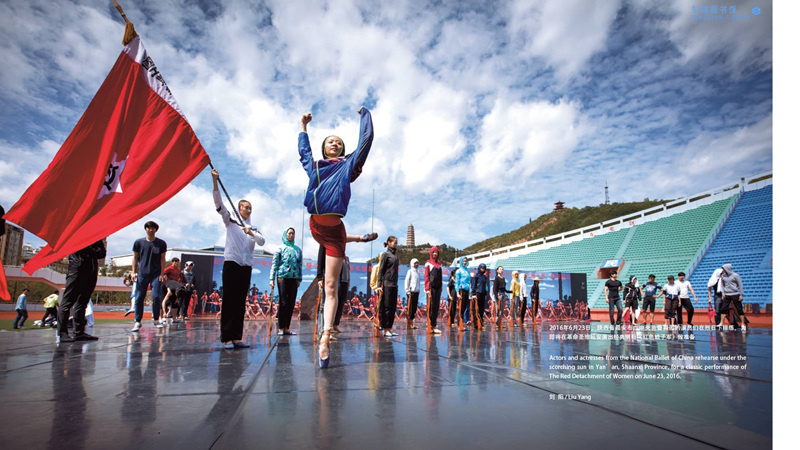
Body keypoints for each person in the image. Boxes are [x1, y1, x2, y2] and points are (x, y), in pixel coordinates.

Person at [299, 107, 376, 368]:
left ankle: (325, 336)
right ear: (324, 148)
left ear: (343, 150)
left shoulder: (347, 165)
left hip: (335, 235)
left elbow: (366, 141)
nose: (335, 143)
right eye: (330, 141)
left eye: (339, 142)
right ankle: (325, 331)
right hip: (316, 226)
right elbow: (304, 152)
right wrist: (303, 127)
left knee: (331, 287)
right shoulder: (315, 167)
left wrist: (365, 115)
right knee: (327, 283)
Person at [212, 168, 265, 349]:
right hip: (232, 264)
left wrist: (251, 233)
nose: (248, 210)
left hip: (246, 266)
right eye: (245, 207)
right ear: (239, 208)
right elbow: (219, 204)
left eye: (250, 208)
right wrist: (215, 181)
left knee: (241, 302)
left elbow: (262, 241)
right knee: (229, 301)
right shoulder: (231, 220)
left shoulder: (253, 228)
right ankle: (226, 338)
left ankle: (236, 337)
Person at [57, 239, 106, 342]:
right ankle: (62, 333)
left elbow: (102, 253)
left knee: (82, 302)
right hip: (76, 270)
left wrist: (89, 249)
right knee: (68, 302)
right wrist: (91, 250)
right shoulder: (77, 235)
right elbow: (79, 248)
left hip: (91, 272)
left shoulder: (96, 238)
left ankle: (79, 332)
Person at [131, 221, 167, 332]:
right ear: (145, 229)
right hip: (142, 274)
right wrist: (133, 272)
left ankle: (156, 319)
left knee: (156, 297)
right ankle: (137, 321)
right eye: (149, 228)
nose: (151, 230)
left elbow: (162, 259)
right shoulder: (138, 242)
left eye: (153, 228)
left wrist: (162, 273)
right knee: (139, 297)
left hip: (156, 275)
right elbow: (135, 257)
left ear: (156, 230)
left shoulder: (161, 243)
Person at [271, 227, 303, 336]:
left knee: (291, 303)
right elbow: (275, 264)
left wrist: (299, 278)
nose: (291, 235)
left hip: (294, 278)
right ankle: (281, 327)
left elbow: (299, 265)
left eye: (293, 233)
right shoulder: (280, 248)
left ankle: (287, 328)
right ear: (285, 234)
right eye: (289, 233)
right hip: (282, 278)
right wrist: (272, 279)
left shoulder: (297, 250)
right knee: (283, 303)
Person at [376, 236, 400, 338]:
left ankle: (390, 328)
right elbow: (381, 270)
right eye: (394, 242)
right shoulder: (385, 255)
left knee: (392, 308)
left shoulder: (395, 257)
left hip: (394, 285)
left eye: (396, 243)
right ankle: (385, 329)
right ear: (389, 243)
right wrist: (379, 285)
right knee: (386, 307)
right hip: (386, 285)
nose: (395, 244)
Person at [719, 263, 747, 330]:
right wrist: (723, 293)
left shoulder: (735, 275)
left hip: (735, 294)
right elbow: (722, 285)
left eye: (724, 268)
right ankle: (721, 323)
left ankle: (742, 324)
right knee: (723, 309)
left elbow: (740, 285)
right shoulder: (723, 276)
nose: (723, 270)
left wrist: (741, 295)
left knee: (739, 309)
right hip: (727, 294)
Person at [424, 246, 443, 334]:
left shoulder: (440, 264)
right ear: (431, 253)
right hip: (431, 288)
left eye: (436, 252)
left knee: (436, 307)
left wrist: (441, 287)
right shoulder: (428, 263)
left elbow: (440, 277)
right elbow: (426, 276)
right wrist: (427, 289)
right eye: (434, 252)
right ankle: (430, 325)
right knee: (431, 306)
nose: (435, 254)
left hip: (438, 288)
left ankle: (434, 325)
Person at [161, 257, 186, 324]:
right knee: (165, 300)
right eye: (175, 262)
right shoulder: (169, 268)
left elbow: (181, 277)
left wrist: (179, 282)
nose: (176, 263)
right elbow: (162, 273)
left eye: (177, 262)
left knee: (175, 302)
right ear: (172, 262)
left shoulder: (178, 270)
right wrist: (163, 279)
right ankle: (162, 316)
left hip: (175, 287)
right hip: (168, 285)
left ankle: (174, 318)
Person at [453, 257, 472, 330]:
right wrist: (457, 293)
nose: (464, 262)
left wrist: (470, 293)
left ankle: (462, 323)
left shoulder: (467, 271)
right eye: (463, 261)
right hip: (461, 290)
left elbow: (469, 283)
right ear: (461, 262)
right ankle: (459, 325)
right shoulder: (458, 271)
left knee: (464, 308)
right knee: (461, 308)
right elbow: (457, 282)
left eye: (465, 261)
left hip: (467, 290)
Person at [470, 263, 489, 329]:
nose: (483, 269)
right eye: (482, 268)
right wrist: (473, 294)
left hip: (482, 294)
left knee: (481, 309)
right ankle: (476, 324)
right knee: (476, 309)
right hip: (477, 293)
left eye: (484, 268)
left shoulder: (484, 277)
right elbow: (473, 285)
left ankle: (480, 323)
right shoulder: (476, 276)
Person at [404, 258, 421, 329]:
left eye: (417, 263)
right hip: (411, 292)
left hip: (416, 292)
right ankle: (409, 323)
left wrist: (418, 290)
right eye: (415, 263)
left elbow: (418, 282)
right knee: (410, 308)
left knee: (414, 308)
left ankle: (412, 323)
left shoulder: (418, 273)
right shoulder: (410, 271)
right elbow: (407, 281)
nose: (416, 264)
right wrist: (407, 290)